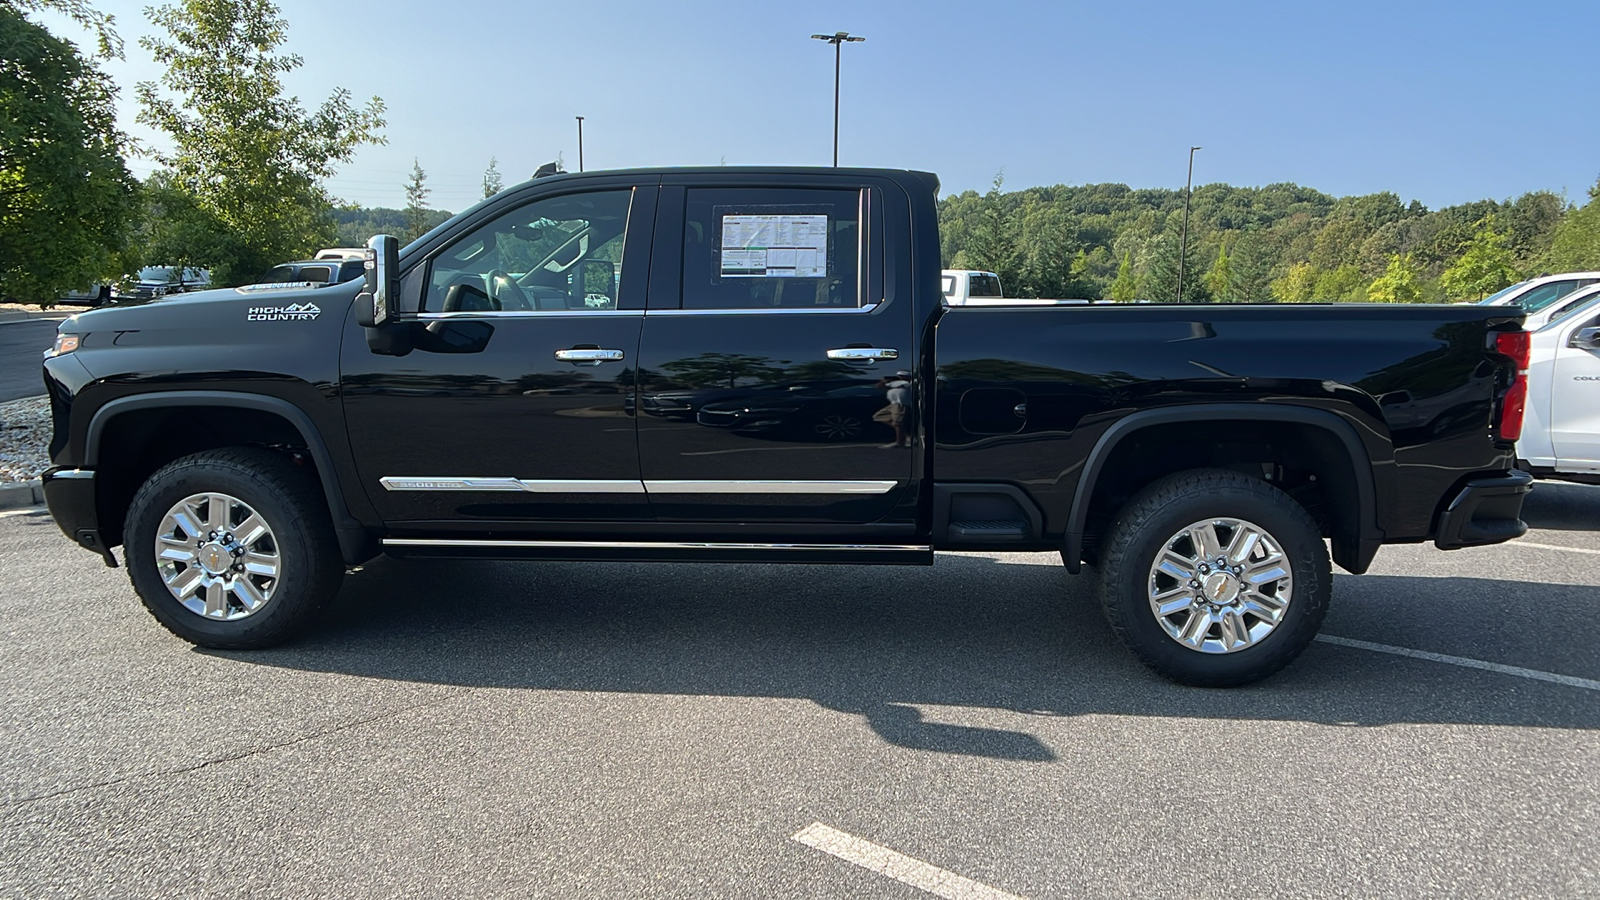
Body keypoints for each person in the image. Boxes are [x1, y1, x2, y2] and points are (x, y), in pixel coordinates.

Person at [874, 370, 914, 448]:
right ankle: (906, 436)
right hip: (893, 404)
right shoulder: (893, 383)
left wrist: (891, 385)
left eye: (902, 376)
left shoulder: (909, 383)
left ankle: (900, 442)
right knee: (878, 416)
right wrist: (883, 381)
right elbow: (878, 387)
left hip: (901, 404)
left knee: (898, 423)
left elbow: (904, 385)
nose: (900, 377)